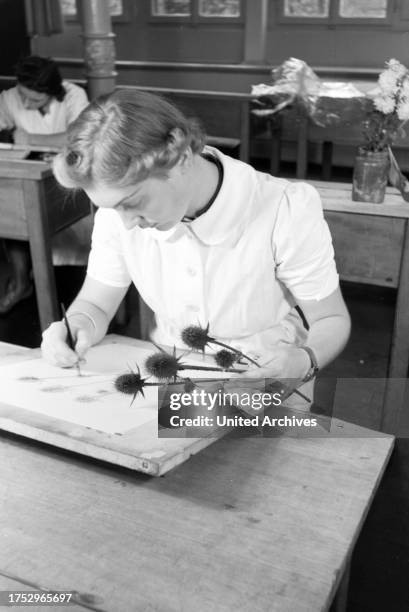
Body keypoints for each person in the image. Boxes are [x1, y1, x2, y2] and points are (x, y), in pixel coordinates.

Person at [41, 89, 351, 407]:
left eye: (132, 203)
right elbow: (95, 304)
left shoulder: (283, 208)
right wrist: (76, 325)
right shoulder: (117, 215)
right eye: (113, 208)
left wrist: (303, 359)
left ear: (181, 156)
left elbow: (331, 318)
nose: (127, 222)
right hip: (168, 371)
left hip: (268, 373)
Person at [0, 55, 90, 313]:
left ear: (52, 91)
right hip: (29, 177)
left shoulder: (74, 96)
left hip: (69, 181)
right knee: (11, 214)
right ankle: (21, 282)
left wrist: (29, 137)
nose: (26, 103)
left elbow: (78, 138)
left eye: (35, 99)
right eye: (23, 95)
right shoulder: (10, 97)